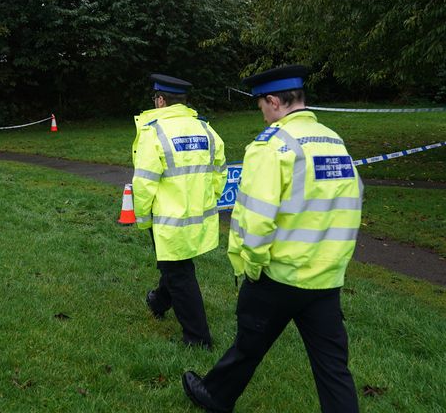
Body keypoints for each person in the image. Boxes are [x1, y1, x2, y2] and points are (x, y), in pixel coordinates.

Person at [182, 65, 364, 412]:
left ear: (273, 101)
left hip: (278, 275)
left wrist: (251, 269)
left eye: (261, 106)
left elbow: (255, 220)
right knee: (333, 368)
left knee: (249, 344)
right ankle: (214, 393)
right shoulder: (333, 140)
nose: (262, 115)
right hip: (325, 278)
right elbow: (352, 201)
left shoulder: (271, 147)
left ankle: (214, 396)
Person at [132, 74, 227, 349]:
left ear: (161, 100)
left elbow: (144, 182)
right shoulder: (207, 129)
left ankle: (198, 340)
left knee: (179, 272)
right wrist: (208, 199)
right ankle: (158, 301)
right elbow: (221, 171)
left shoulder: (154, 132)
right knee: (174, 265)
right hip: (199, 216)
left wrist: (143, 219)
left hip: (168, 220)